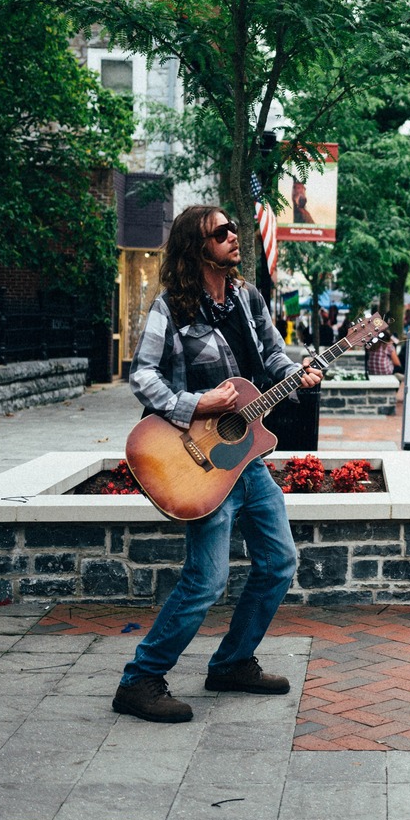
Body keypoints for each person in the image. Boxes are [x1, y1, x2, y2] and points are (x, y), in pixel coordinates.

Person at [116, 205, 323, 723]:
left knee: (278, 563)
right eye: (222, 231)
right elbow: (142, 375)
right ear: (198, 245)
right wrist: (196, 404)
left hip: (248, 458)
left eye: (235, 228)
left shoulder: (249, 299)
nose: (236, 236)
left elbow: (272, 359)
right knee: (206, 581)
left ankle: (231, 662)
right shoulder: (172, 308)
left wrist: (299, 373)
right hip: (199, 460)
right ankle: (139, 680)